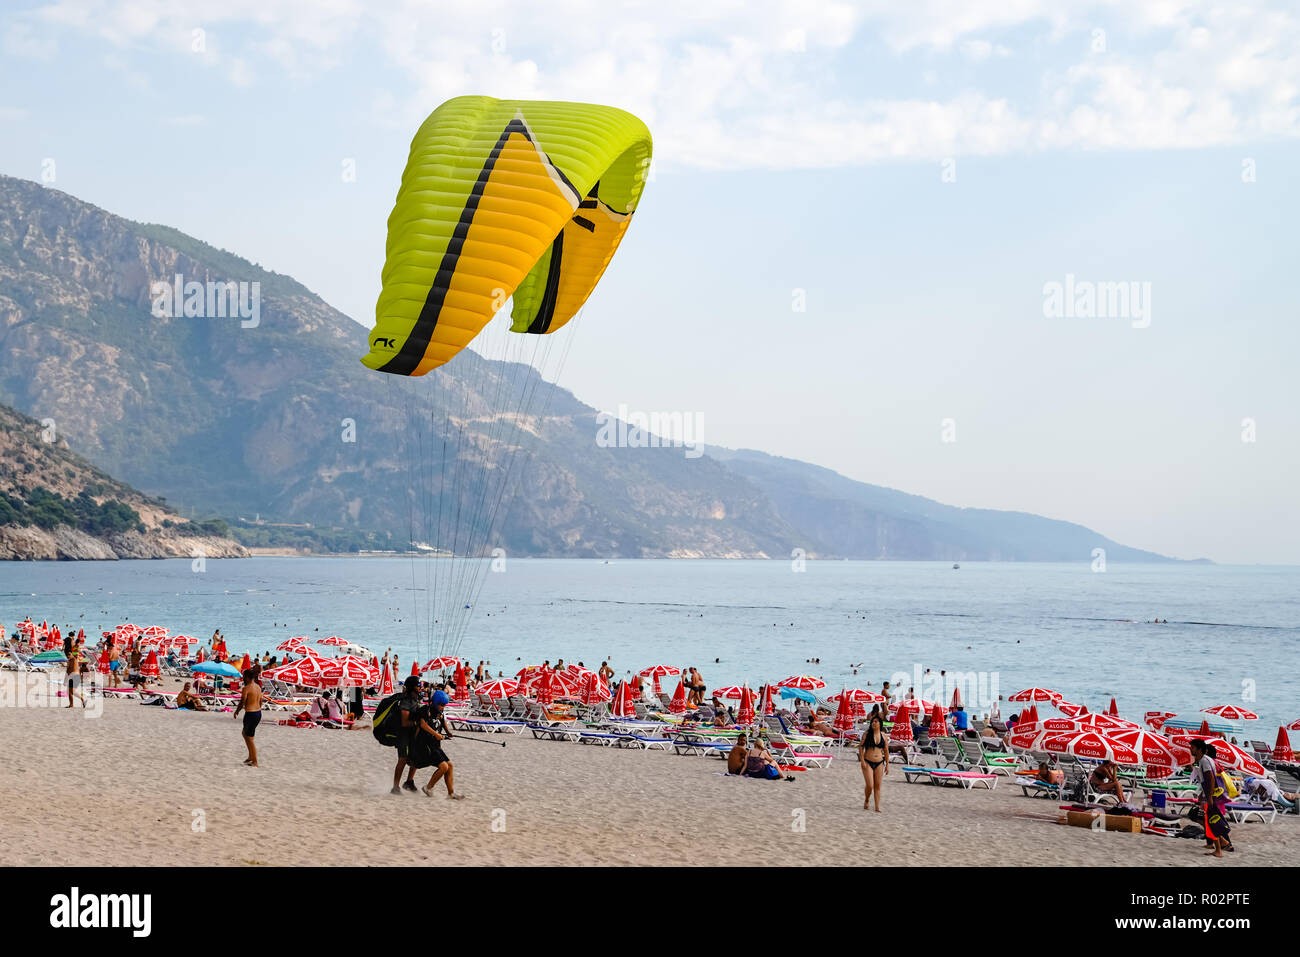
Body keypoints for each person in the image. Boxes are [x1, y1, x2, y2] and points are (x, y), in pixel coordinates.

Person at [407, 690, 464, 799]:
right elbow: (423, 724)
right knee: (444, 766)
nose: (443, 707)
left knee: (450, 765)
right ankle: (428, 787)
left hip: (434, 745)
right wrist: (436, 734)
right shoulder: (425, 710)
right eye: (441, 705)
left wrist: (448, 732)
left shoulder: (439, 713)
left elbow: (443, 721)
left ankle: (451, 793)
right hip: (424, 745)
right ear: (435, 702)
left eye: (444, 705)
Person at [1189, 739, 1233, 857]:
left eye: (1192, 747)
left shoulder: (1205, 761)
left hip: (1211, 795)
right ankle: (1221, 844)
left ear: (1199, 749)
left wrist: (1209, 797)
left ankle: (1220, 849)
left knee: (1212, 821)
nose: (1190, 749)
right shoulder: (1203, 760)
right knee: (1210, 821)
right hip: (1209, 794)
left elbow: (1210, 779)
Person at [391, 675, 424, 795]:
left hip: (413, 735)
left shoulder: (416, 699)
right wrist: (417, 723)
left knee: (415, 757)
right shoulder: (406, 701)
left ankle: (409, 782)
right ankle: (395, 787)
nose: (421, 687)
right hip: (403, 735)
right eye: (418, 685)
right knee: (403, 759)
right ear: (412, 687)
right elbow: (404, 722)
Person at [233, 668, 262, 767]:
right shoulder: (258, 687)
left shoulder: (246, 688)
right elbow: (261, 701)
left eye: (244, 677)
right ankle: (250, 757)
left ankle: (255, 761)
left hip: (251, 714)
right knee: (245, 734)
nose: (243, 678)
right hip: (258, 713)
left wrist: (237, 711)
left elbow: (242, 702)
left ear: (248, 677)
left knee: (249, 738)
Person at [859, 715, 888, 811]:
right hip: (868, 761)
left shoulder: (883, 735)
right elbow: (861, 747)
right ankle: (867, 799)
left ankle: (877, 807)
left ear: (880, 724)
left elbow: (886, 750)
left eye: (876, 721)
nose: (873, 723)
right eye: (872, 722)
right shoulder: (866, 734)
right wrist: (862, 760)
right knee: (870, 785)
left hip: (880, 762)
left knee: (878, 786)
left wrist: (887, 765)